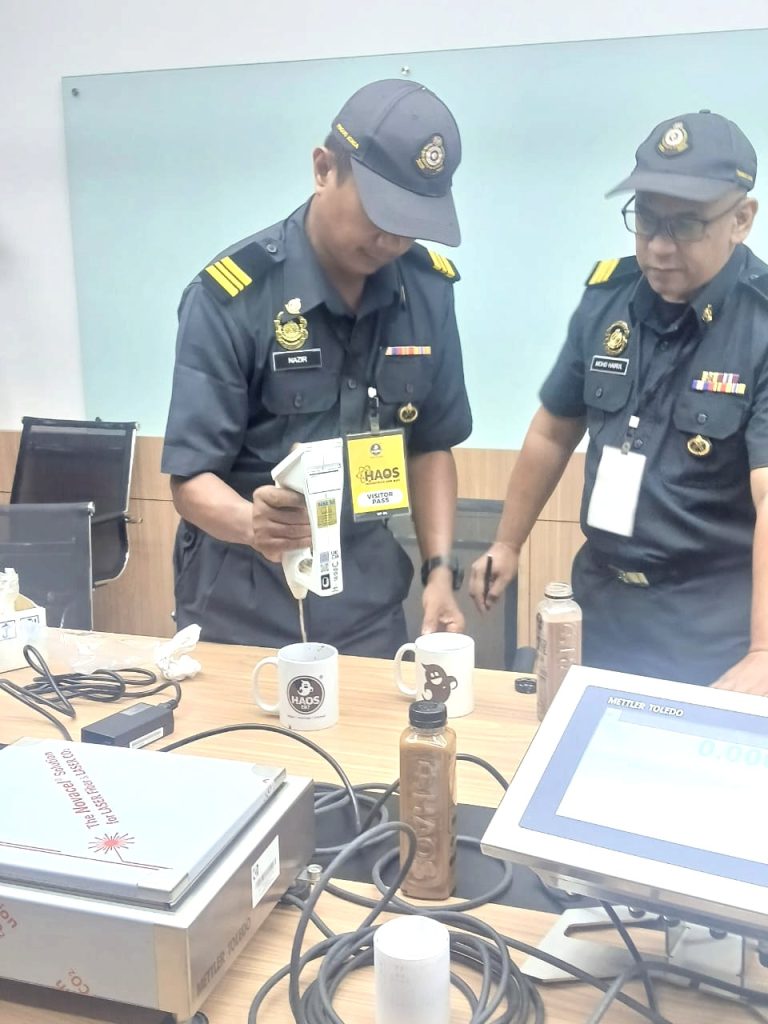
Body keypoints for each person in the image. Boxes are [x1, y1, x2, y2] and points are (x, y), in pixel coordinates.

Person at [162, 79, 472, 658]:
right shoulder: (232, 297)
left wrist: (438, 572)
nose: (392, 239)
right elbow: (189, 480)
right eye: (381, 212)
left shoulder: (426, 292)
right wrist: (251, 523)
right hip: (241, 607)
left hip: (367, 605)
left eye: (411, 221)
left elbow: (431, 444)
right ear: (324, 169)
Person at [469, 110, 768, 692]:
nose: (658, 247)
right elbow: (553, 430)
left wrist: (764, 649)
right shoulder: (608, 300)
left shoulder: (760, 327)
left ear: (741, 219)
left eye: (685, 225)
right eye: (646, 219)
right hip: (600, 608)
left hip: (709, 630)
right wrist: (507, 542)